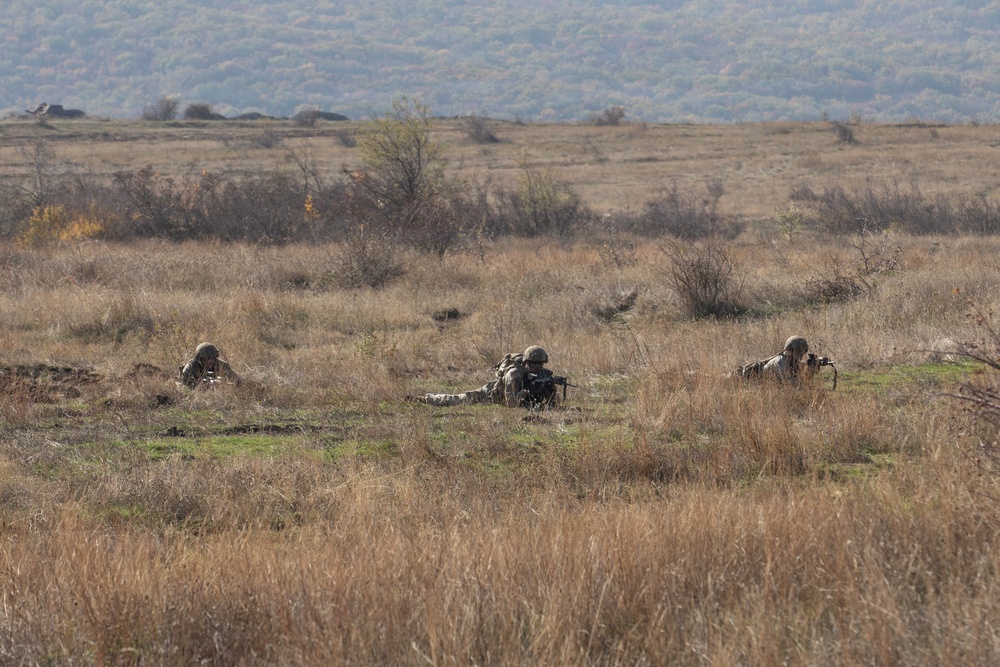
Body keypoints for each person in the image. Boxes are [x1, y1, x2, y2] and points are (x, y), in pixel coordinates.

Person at [411, 345, 560, 407]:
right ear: (527, 362)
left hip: (514, 396)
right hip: (490, 395)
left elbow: (554, 404)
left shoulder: (542, 374)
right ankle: (427, 399)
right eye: (534, 364)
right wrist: (526, 392)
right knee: (458, 399)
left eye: (541, 364)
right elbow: (511, 403)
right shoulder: (513, 374)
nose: (538, 367)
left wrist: (548, 389)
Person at [734, 335, 813, 384]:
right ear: (789, 350)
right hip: (742, 379)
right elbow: (791, 384)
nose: (801, 354)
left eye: (804, 351)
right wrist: (809, 373)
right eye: (798, 351)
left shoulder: (793, 362)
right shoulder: (781, 362)